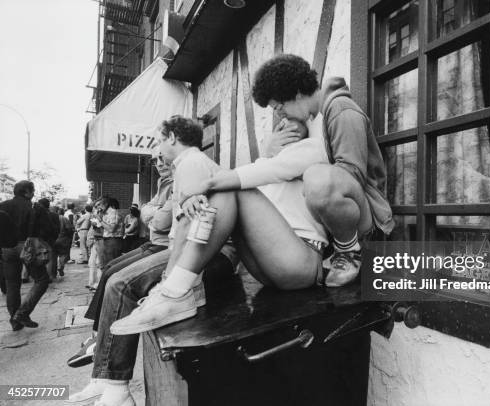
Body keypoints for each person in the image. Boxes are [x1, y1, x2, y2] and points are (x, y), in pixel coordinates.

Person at [108, 114, 328, 338]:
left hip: (302, 260)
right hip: (271, 266)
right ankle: (177, 288)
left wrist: (198, 189)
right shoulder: (266, 163)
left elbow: (247, 176)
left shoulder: (309, 149)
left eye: (287, 126)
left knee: (230, 188)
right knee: (219, 195)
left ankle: (177, 290)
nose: (280, 126)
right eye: (278, 125)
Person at [67, 119, 237, 406]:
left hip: (211, 255)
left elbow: (188, 227)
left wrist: (174, 281)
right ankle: (106, 381)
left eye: (160, 141)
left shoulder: (191, 163)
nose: (158, 150)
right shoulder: (191, 163)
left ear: (172, 137)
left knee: (120, 284)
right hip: (202, 251)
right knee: (115, 278)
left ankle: (116, 389)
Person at [250, 54, 394, 286]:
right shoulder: (310, 121)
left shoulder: (340, 109)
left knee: (317, 178)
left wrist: (293, 167)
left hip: (367, 222)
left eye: (278, 107)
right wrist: (270, 152)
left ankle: (348, 253)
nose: (279, 114)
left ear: (295, 92)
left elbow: (350, 175)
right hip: (334, 227)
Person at [67, 152, 174, 368]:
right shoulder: (164, 183)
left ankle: (103, 343)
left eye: (164, 158)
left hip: (165, 246)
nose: (159, 164)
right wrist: (152, 212)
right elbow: (146, 212)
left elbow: (160, 221)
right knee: (108, 270)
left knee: (117, 280)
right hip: (155, 242)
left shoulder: (179, 180)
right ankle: (97, 334)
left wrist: (152, 213)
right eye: (155, 160)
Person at [0, 181, 50, 330]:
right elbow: (47, 229)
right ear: (26, 192)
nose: (34, 193)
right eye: (32, 190)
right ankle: (22, 313)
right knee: (42, 279)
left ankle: (14, 321)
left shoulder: (2, 206)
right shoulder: (35, 207)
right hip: (28, 246)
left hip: (7, 248)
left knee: (12, 284)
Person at [93, 197, 123, 270]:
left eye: (99, 205)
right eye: (96, 206)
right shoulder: (106, 214)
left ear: (106, 204)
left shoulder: (113, 212)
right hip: (108, 240)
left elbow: (111, 229)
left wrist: (100, 220)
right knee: (107, 264)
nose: (98, 208)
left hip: (113, 241)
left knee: (112, 265)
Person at [55, 208, 74, 277]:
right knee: (63, 254)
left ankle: (53, 272)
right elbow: (69, 229)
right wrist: (69, 237)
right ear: (63, 212)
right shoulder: (64, 219)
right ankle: (61, 267)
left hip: (54, 239)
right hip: (63, 239)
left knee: (54, 256)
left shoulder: (53, 218)